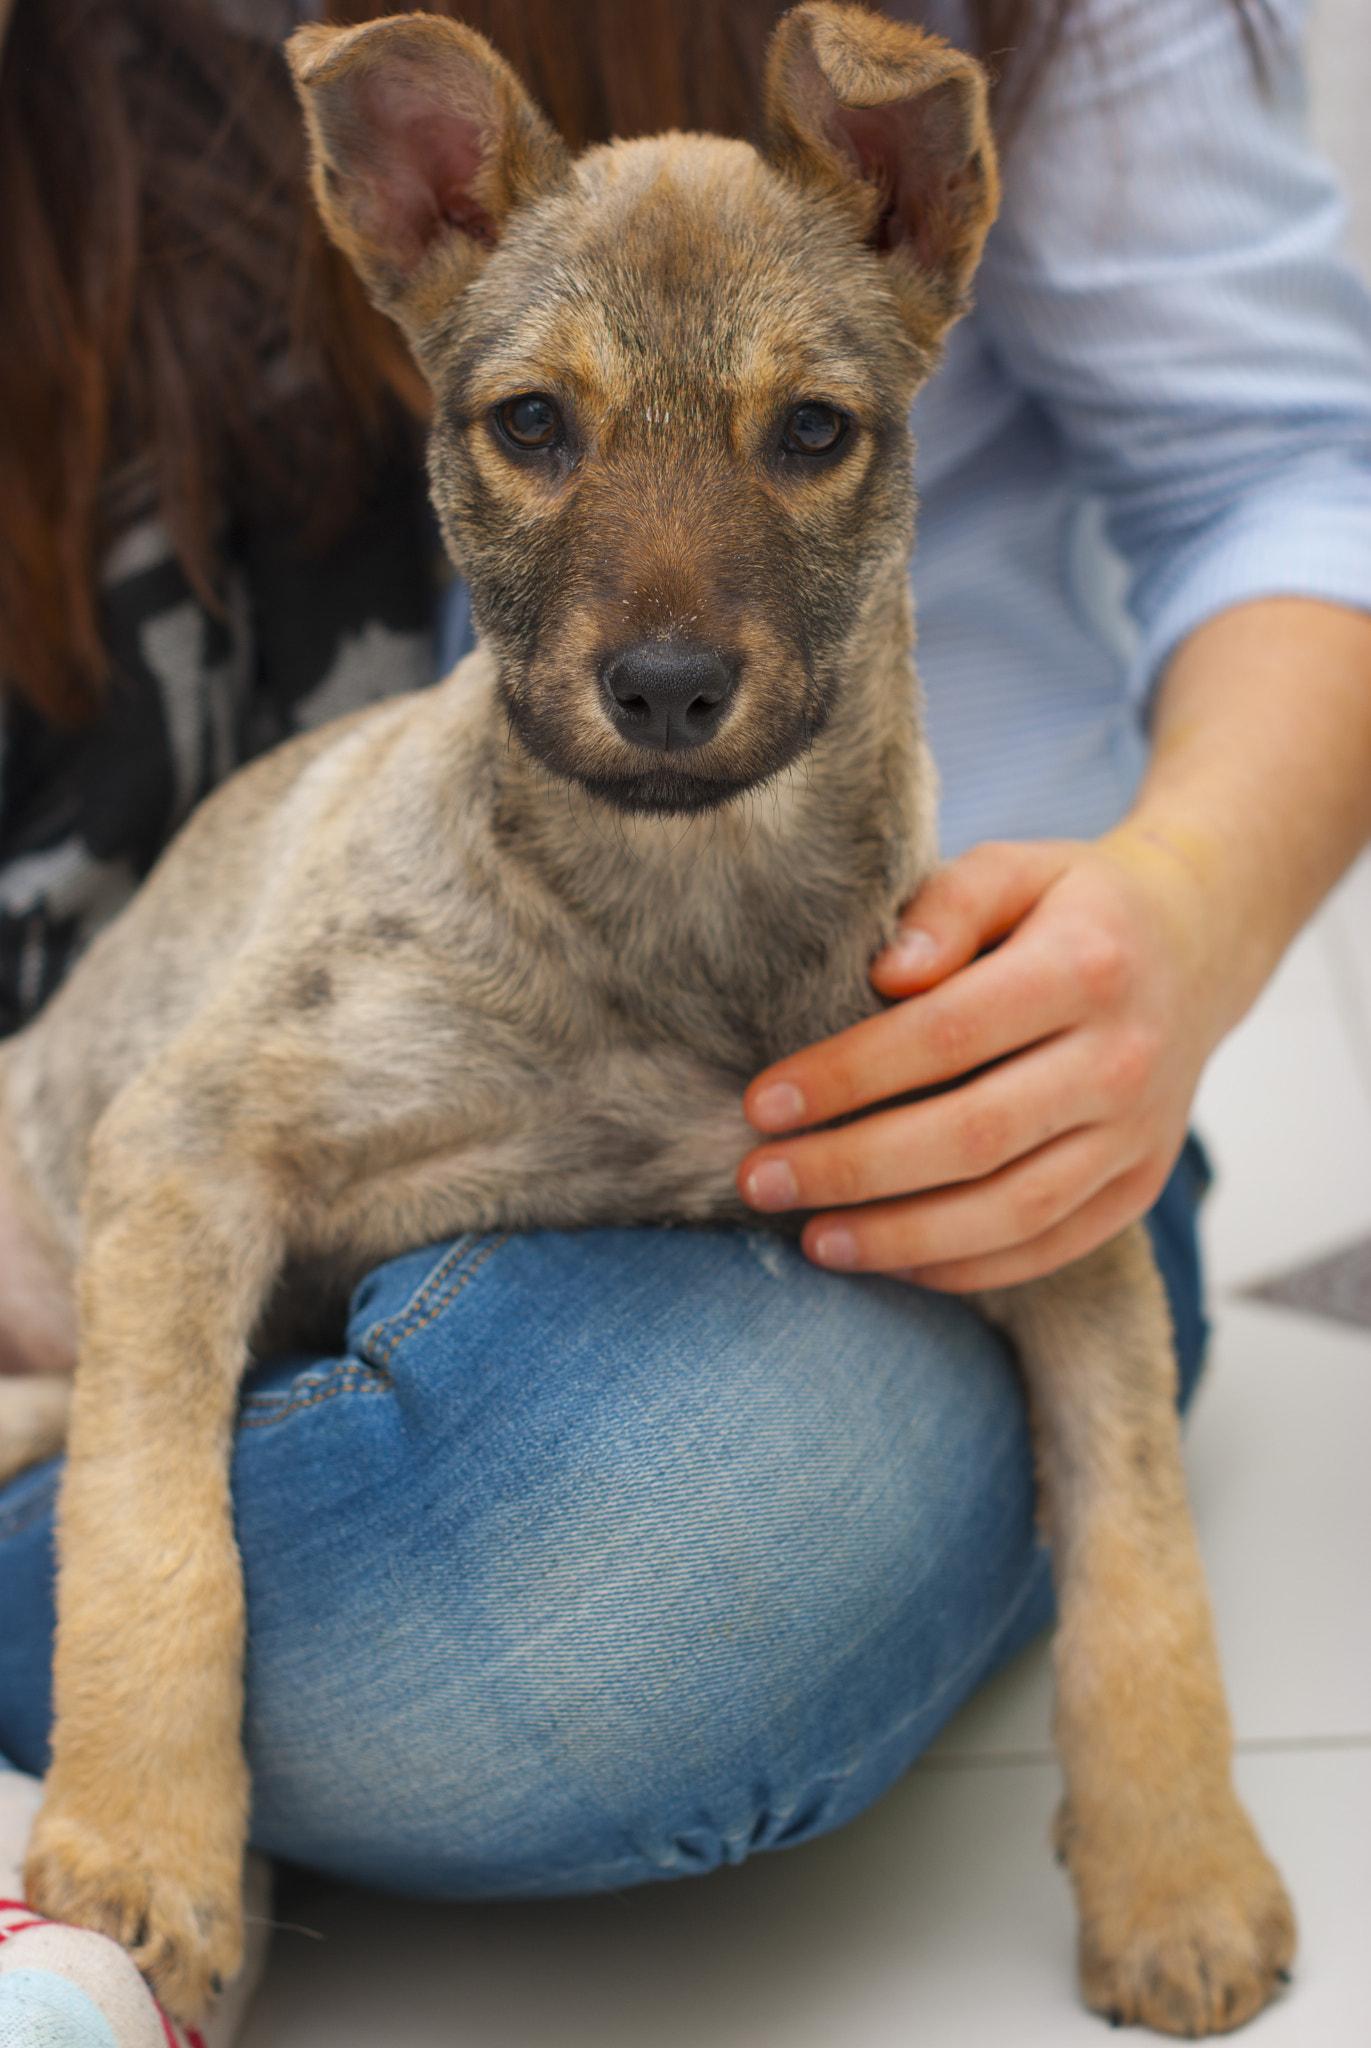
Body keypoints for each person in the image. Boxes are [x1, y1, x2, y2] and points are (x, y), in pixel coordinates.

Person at [0, 0, 1368, 2035]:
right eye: (538, 432)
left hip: (955, 1133)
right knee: (558, 1593)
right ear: (411, 211)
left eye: (799, 435)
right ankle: (170, 1700)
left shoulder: (903, 154)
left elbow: (1283, 463)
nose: (664, 632)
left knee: (664, 1568)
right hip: (111, 1213)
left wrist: (1174, 914)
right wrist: (145, 1701)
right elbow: (173, 1143)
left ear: (919, 234)